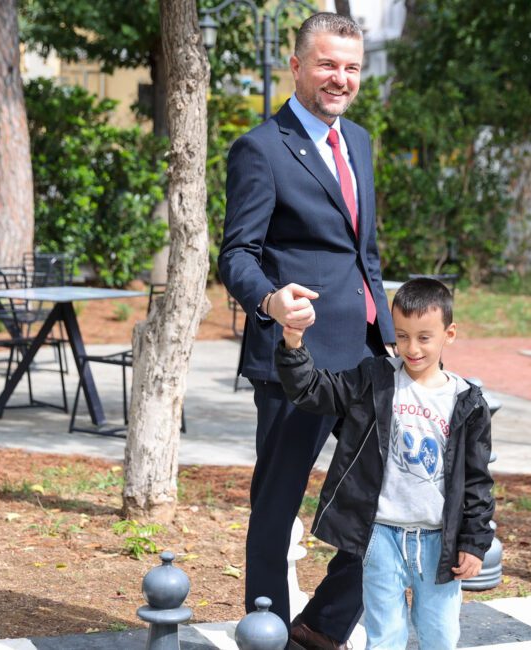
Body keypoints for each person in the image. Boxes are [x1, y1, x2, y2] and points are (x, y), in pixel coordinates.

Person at [217, 12, 395, 649]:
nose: (339, 78)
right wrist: (269, 302)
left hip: (368, 359)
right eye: (326, 64)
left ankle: (321, 627)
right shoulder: (260, 148)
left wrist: (391, 337)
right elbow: (236, 254)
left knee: (388, 496)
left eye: (350, 67)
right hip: (296, 359)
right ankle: (265, 627)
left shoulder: (364, 143)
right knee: (277, 503)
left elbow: (363, 253)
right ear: (296, 66)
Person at [275, 278, 495, 650]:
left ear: (449, 334)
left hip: (438, 542)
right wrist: (293, 343)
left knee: (440, 635)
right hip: (382, 537)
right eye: (403, 335)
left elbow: (476, 481)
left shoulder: (467, 403)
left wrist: (474, 542)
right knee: (385, 636)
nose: (412, 348)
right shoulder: (374, 380)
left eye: (425, 337)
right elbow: (311, 389)